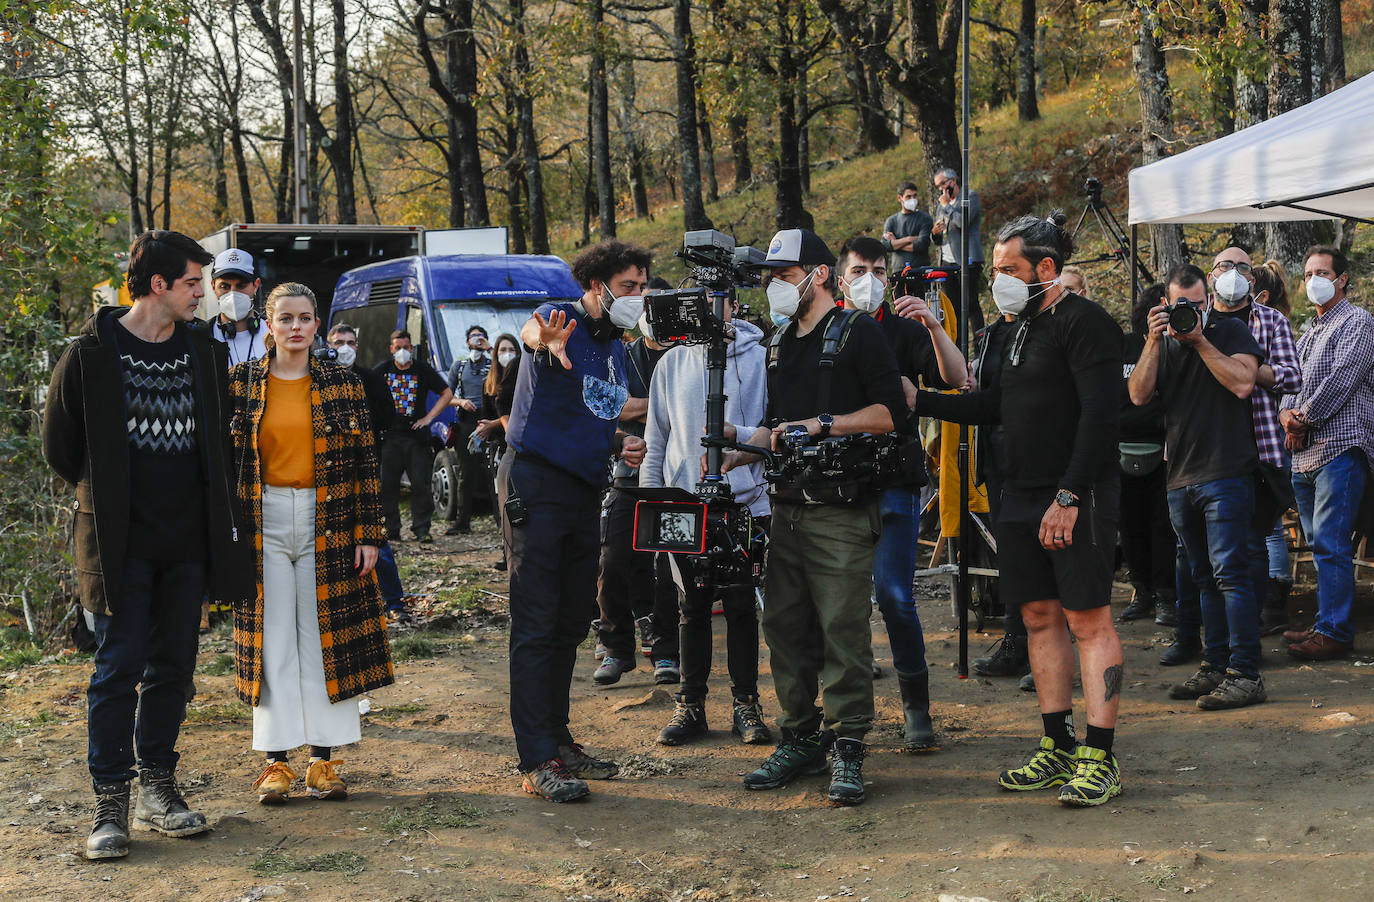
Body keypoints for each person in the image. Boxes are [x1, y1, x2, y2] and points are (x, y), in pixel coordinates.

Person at [43, 229, 253, 860]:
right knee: (117, 669)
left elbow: (221, 449)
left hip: (188, 544)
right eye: (194, 283)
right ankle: (111, 806)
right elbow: (61, 449)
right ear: (158, 285)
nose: (204, 295)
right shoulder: (91, 355)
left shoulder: (203, 354)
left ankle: (159, 789)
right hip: (118, 546)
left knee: (174, 670)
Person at [915, 215, 1126, 807]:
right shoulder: (1008, 330)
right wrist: (921, 400)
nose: (1000, 281)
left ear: (1047, 269)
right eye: (998, 270)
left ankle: (1099, 756)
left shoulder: (1088, 324)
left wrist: (1069, 497)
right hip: (1018, 494)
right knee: (1037, 616)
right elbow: (994, 407)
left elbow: (1101, 419)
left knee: (1088, 619)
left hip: (1076, 493)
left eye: (1010, 270)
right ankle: (1056, 745)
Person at [720, 228, 908, 806]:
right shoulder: (779, 344)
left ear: (817, 274)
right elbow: (781, 431)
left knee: (842, 630)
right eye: (771, 277)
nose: (774, 286)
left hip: (843, 511)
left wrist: (826, 424)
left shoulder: (859, 334)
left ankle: (848, 743)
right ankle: (800, 736)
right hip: (787, 508)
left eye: (781, 275)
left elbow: (890, 414)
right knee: (785, 628)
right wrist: (738, 442)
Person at [228, 283, 393, 805]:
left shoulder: (343, 384)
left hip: (333, 519)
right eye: (285, 318)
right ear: (268, 324)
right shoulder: (240, 383)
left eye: (304, 317)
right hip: (263, 519)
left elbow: (369, 463)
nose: (295, 327)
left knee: (328, 637)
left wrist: (369, 534)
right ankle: (275, 764)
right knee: (272, 636)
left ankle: (324, 761)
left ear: (317, 323)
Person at [499, 239, 649, 802]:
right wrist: (547, 340)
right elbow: (535, 332)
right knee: (536, 622)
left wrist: (617, 443)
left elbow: (589, 408)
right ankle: (537, 757)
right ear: (595, 285)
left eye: (642, 287)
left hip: (586, 488)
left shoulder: (616, 344)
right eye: (628, 287)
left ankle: (558, 738)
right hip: (535, 485)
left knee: (569, 620)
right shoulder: (559, 317)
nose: (638, 297)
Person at [839, 236, 967, 751]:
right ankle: (845, 714)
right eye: (857, 269)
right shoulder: (823, 329)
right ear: (837, 277)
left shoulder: (903, 329)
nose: (867, 278)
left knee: (894, 596)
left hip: (895, 477)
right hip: (839, 483)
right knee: (841, 602)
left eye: (876, 269)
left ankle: (917, 707)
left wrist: (933, 326)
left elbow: (957, 379)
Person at [1128, 263, 1267, 710]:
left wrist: (1201, 340)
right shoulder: (1161, 343)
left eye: (1199, 302)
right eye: (1181, 305)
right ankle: (1215, 665)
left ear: (1209, 299)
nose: (1192, 311)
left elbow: (1245, 383)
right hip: (1180, 476)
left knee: (1231, 574)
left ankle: (1246, 673)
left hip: (1226, 472)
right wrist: (1153, 340)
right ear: (1166, 304)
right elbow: (1137, 394)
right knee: (1204, 578)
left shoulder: (1228, 332)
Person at [641, 294, 773, 747]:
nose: (712, 313)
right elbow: (656, 438)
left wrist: (747, 462)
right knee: (690, 607)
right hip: (681, 504)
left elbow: (774, 430)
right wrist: (653, 502)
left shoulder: (760, 358)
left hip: (746, 502)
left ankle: (746, 704)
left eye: (720, 303)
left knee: (740, 607)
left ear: (735, 305)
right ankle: (690, 704)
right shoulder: (671, 364)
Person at [1279, 245, 1374, 660]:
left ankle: (1335, 631)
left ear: (1342, 279)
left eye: (1321, 272)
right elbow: (1286, 383)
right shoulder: (1308, 332)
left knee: (1332, 545)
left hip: (1340, 449)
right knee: (1321, 546)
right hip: (1304, 457)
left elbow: (1342, 379)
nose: (1313, 280)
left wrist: (1304, 417)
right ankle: (1324, 623)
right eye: (1307, 273)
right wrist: (1286, 416)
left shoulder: (1358, 323)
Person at [1207, 247, 1301, 638]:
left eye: (1242, 267)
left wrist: (1246, 367)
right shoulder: (1197, 321)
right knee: (1202, 548)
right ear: (1210, 276)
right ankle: (1211, 631)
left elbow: (1292, 378)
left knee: (1256, 541)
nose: (1232, 272)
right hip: (1208, 449)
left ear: (1253, 279)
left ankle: (1259, 620)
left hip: (1260, 447)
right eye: (1224, 266)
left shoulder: (1272, 320)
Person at [593, 319, 680, 685]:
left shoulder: (685, 355)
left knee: (668, 571)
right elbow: (612, 407)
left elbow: (693, 408)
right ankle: (616, 649)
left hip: (675, 476)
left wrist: (638, 406)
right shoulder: (622, 355)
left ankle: (665, 653)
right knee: (612, 562)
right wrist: (665, 405)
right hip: (627, 474)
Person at [328, 322, 411, 623]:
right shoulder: (315, 378)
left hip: (362, 467)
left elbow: (387, 416)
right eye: (339, 342)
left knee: (373, 535)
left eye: (350, 341)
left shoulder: (370, 379)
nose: (344, 348)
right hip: (324, 471)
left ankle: (393, 601)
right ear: (328, 343)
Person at [1116, 284, 1177, 627]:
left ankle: (1167, 595)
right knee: (1130, 525)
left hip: (1165, 449)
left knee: (1162, 525)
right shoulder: (1123, 345)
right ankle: (1141, 591)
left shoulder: (1176, 345)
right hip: (1122, 448)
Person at [375, 330, 452, 542]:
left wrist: (429, 418)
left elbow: (447, 393)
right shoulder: (382, 370)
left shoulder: (422, 370)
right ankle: (391, 530)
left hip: (417, 438)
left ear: (412, 348)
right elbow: (366, 391)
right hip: (390, 437)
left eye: (406, 347)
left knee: (421, 484)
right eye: (398, 348)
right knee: (388, 486)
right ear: (391, 349)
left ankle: (421, 529)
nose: (402, 351)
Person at [1251, 261, 1296, 620]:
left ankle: (1275, 592)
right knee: (1268, 528)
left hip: (1271, 442)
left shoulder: (1273, 326)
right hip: (1268, 442)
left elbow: (1291, 380)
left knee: (1268, 528)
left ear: (1260, 294)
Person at [930, 168, 986, 346]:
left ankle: (979, 348)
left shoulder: (969, 196)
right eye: (937, 186)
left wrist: (947, 206)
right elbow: (939, 239)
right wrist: (935, 233)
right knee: (953, 309)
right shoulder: (941, 205)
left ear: (953, 181)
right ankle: (958, 348)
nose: (940, 189)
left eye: (943, 184)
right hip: (947, 261)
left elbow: (964, 222)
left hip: (967, 259)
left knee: (970, 305)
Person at [444, 324, 491, 536]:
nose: (477, 342)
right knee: (465, 472)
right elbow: (447, 397)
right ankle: (463, 521)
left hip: (488, 421)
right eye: (473, 338)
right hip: (466, 421)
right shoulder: (459, 366)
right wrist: (461, 402)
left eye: (481, 338)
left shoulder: (493, 365)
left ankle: (501, 519)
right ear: (466, 342)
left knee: (492, 470)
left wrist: (488, 349)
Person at [207, 248, 268, 366]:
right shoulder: (202, 337)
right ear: (213, 286)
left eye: (241, 286)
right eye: (224, 286)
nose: (233, 294)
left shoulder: (275, 334)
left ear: (256, 286)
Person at [882, 181, 934, 273]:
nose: (913, 199)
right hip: (899, 270)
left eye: (915, 196)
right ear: (900, 198)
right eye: (908, 197)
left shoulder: (925, 218)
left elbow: (922, 244)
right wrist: (909, 239)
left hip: (921, 269)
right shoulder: (892, 220)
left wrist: (895, 244)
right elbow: (885, 246)